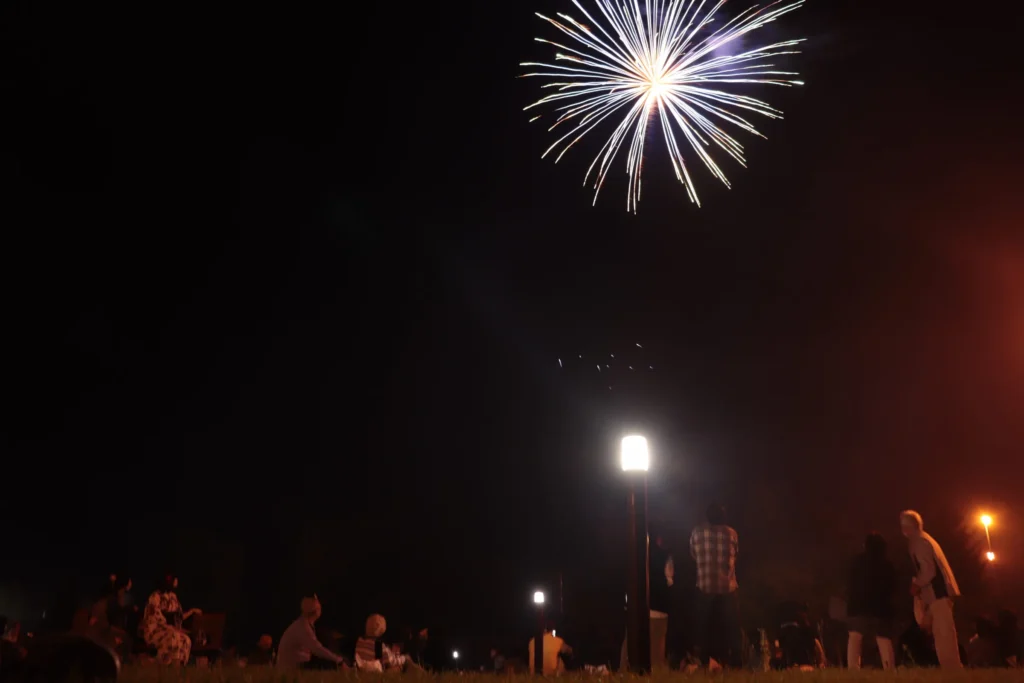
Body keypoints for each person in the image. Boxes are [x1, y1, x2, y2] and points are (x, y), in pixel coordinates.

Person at [900, 510, 961, 669]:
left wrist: (916, 585)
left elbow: (928, 570)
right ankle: (949, 667)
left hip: (938, 593)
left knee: (944, 633)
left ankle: (952, 668)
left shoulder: (919, 542)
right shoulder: (925, 539)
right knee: (941, 632)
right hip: (936, 594)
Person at [690, 503, 742, 668]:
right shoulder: (732, 533)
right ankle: (736, 660)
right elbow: (736, 554)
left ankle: (702, 659)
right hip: (727, 587)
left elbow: (693, 554)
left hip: (705, 586)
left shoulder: (697, 532)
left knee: (702, 625)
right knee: (733, 625)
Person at [846, 533, 897, 669]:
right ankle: (889, 668)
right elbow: (892, 586)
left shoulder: (857, 562)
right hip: (881, 608)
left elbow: (851, 583)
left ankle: (853, 668)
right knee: (884, 639)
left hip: (859, 606)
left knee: (855, 637)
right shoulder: (887, 565)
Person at [141, 575, 200, 666]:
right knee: (174, 637)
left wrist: (191, 611)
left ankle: (180, 665)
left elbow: (178, 616)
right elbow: (155, 617)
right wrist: (170, 627)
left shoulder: (173, 597)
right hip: (156, 629)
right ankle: (164, 663)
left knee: (186, 640)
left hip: (171, 628)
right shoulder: (155, 597)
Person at [277, 595, 345, 670]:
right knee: (328, 662)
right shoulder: (303, 627)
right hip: (293, 667)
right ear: (316, 611)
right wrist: (339, 660)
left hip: (295, 664)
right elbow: (317, 649)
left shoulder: (302, 624)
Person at [354, 614, 419, 672]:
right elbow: (391, 661)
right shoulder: (378, 646)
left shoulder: (360, 641)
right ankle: (420, 672)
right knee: (400, 666)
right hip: (376, 670)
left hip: (362, 668)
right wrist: (404, 658)